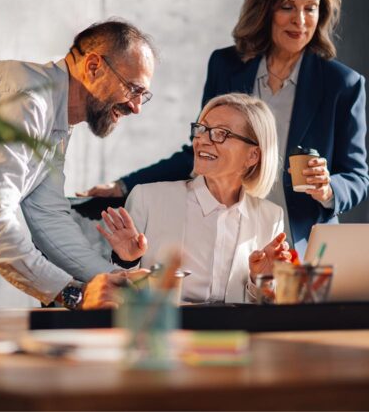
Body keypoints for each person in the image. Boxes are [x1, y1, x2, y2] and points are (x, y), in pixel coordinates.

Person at [81, 0, 369, 255]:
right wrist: (123, 186)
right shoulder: (226, 65)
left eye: (310, 8)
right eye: (287, 6)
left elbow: (357, 177)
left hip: (302, 245)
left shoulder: (342, 84)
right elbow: (201, 149)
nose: (300, 20)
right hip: (227, 236)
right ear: (266, 8)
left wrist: (327, 189)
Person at [0, 20, 156, 309]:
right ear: (93, 67)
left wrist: (117, 280)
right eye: (132, 89)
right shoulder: (28, 101)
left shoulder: (54, 112)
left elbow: (48, 216)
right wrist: (73, 293)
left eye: (142, 96)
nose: (136, 107)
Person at [97, 93, 291, 303]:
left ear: (252, 156)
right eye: (202, 129)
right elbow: (117, 296)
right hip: (166, 331)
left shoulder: (271, 217)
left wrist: (260, 280)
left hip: (237, 334)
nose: (202, 140)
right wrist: (126, 261)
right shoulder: (148, 199)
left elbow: (269, 309)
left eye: (220, 133)